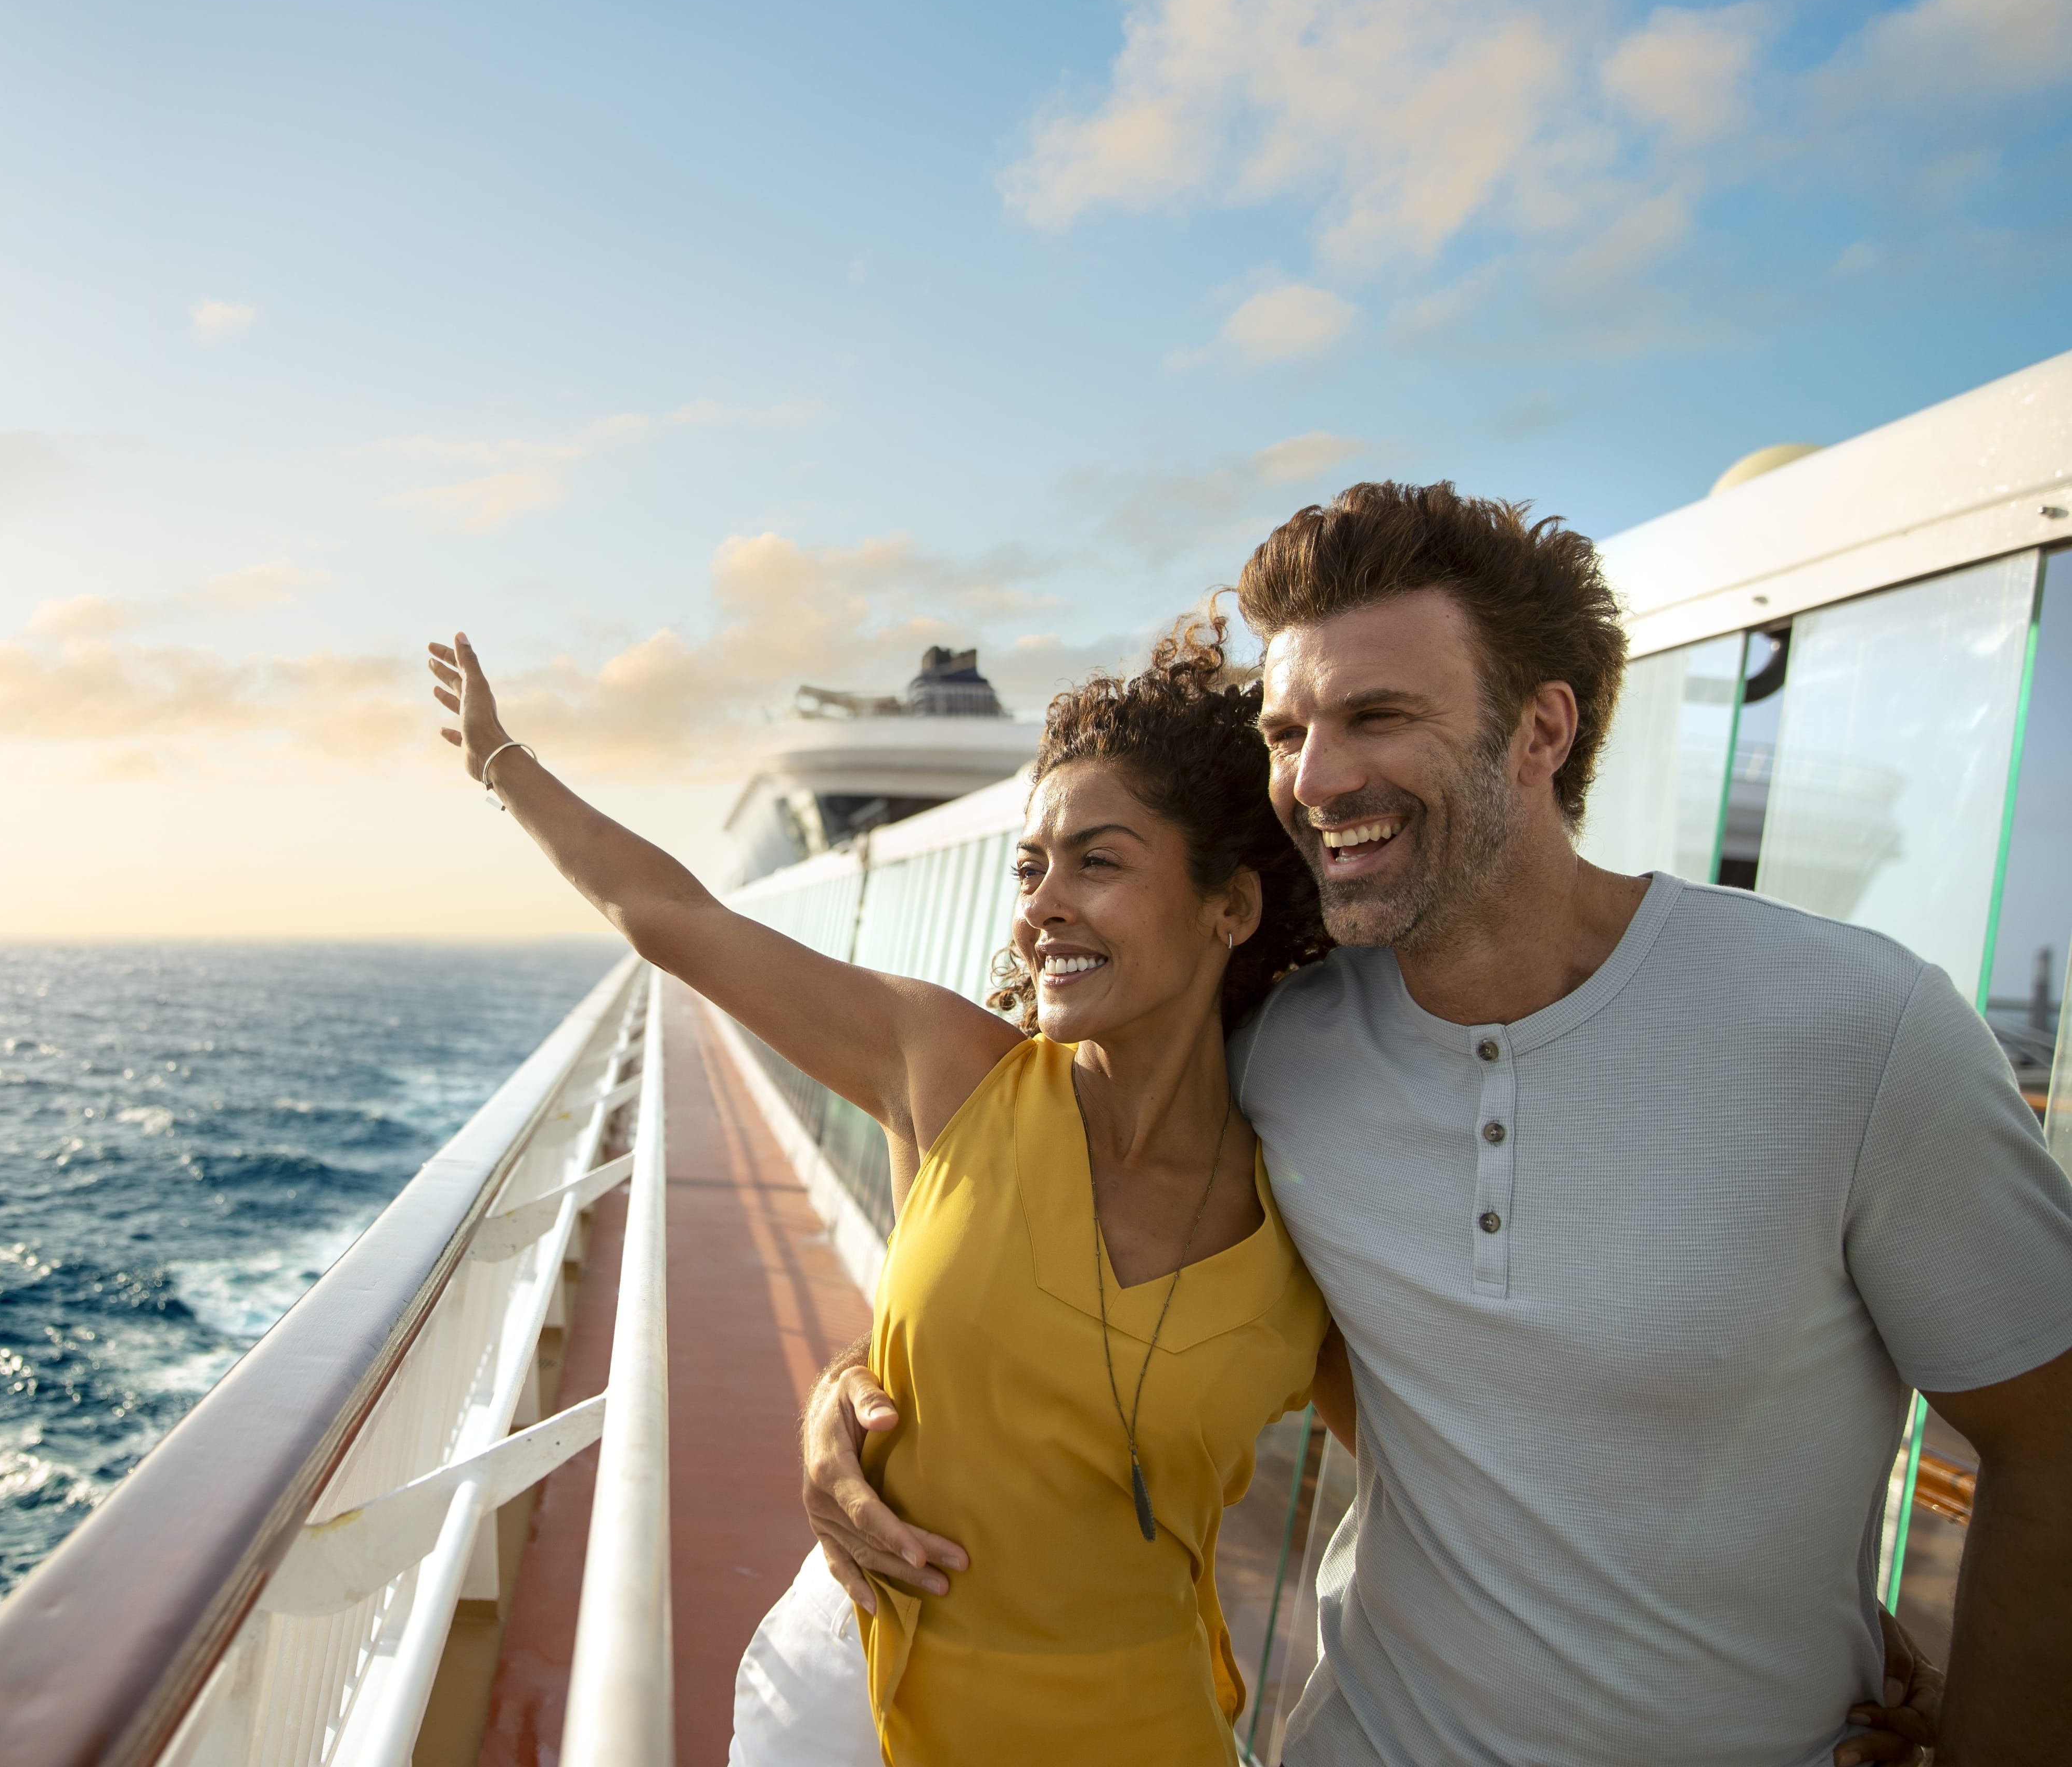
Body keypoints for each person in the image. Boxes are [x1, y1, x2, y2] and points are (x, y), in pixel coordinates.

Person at [803, 482, 2072, 1767]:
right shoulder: (1276, 1056)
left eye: (1377, 718)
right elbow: (1019, 1215)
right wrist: (850, 1393)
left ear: (1542, 729)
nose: (1314, 777)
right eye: (1287, 729)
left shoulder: (1859, 1029)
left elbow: (2049, 1443)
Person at [428, 620, 1343, 1762]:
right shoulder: (952, 1074)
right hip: (857, 1710)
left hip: (1144, 1729)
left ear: (1233, 908)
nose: (1041, 905)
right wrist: (500, 763)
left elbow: (1452, 1481)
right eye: (1029, 867)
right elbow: (675, 920)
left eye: (1097, 862)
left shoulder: (1315, 1214)